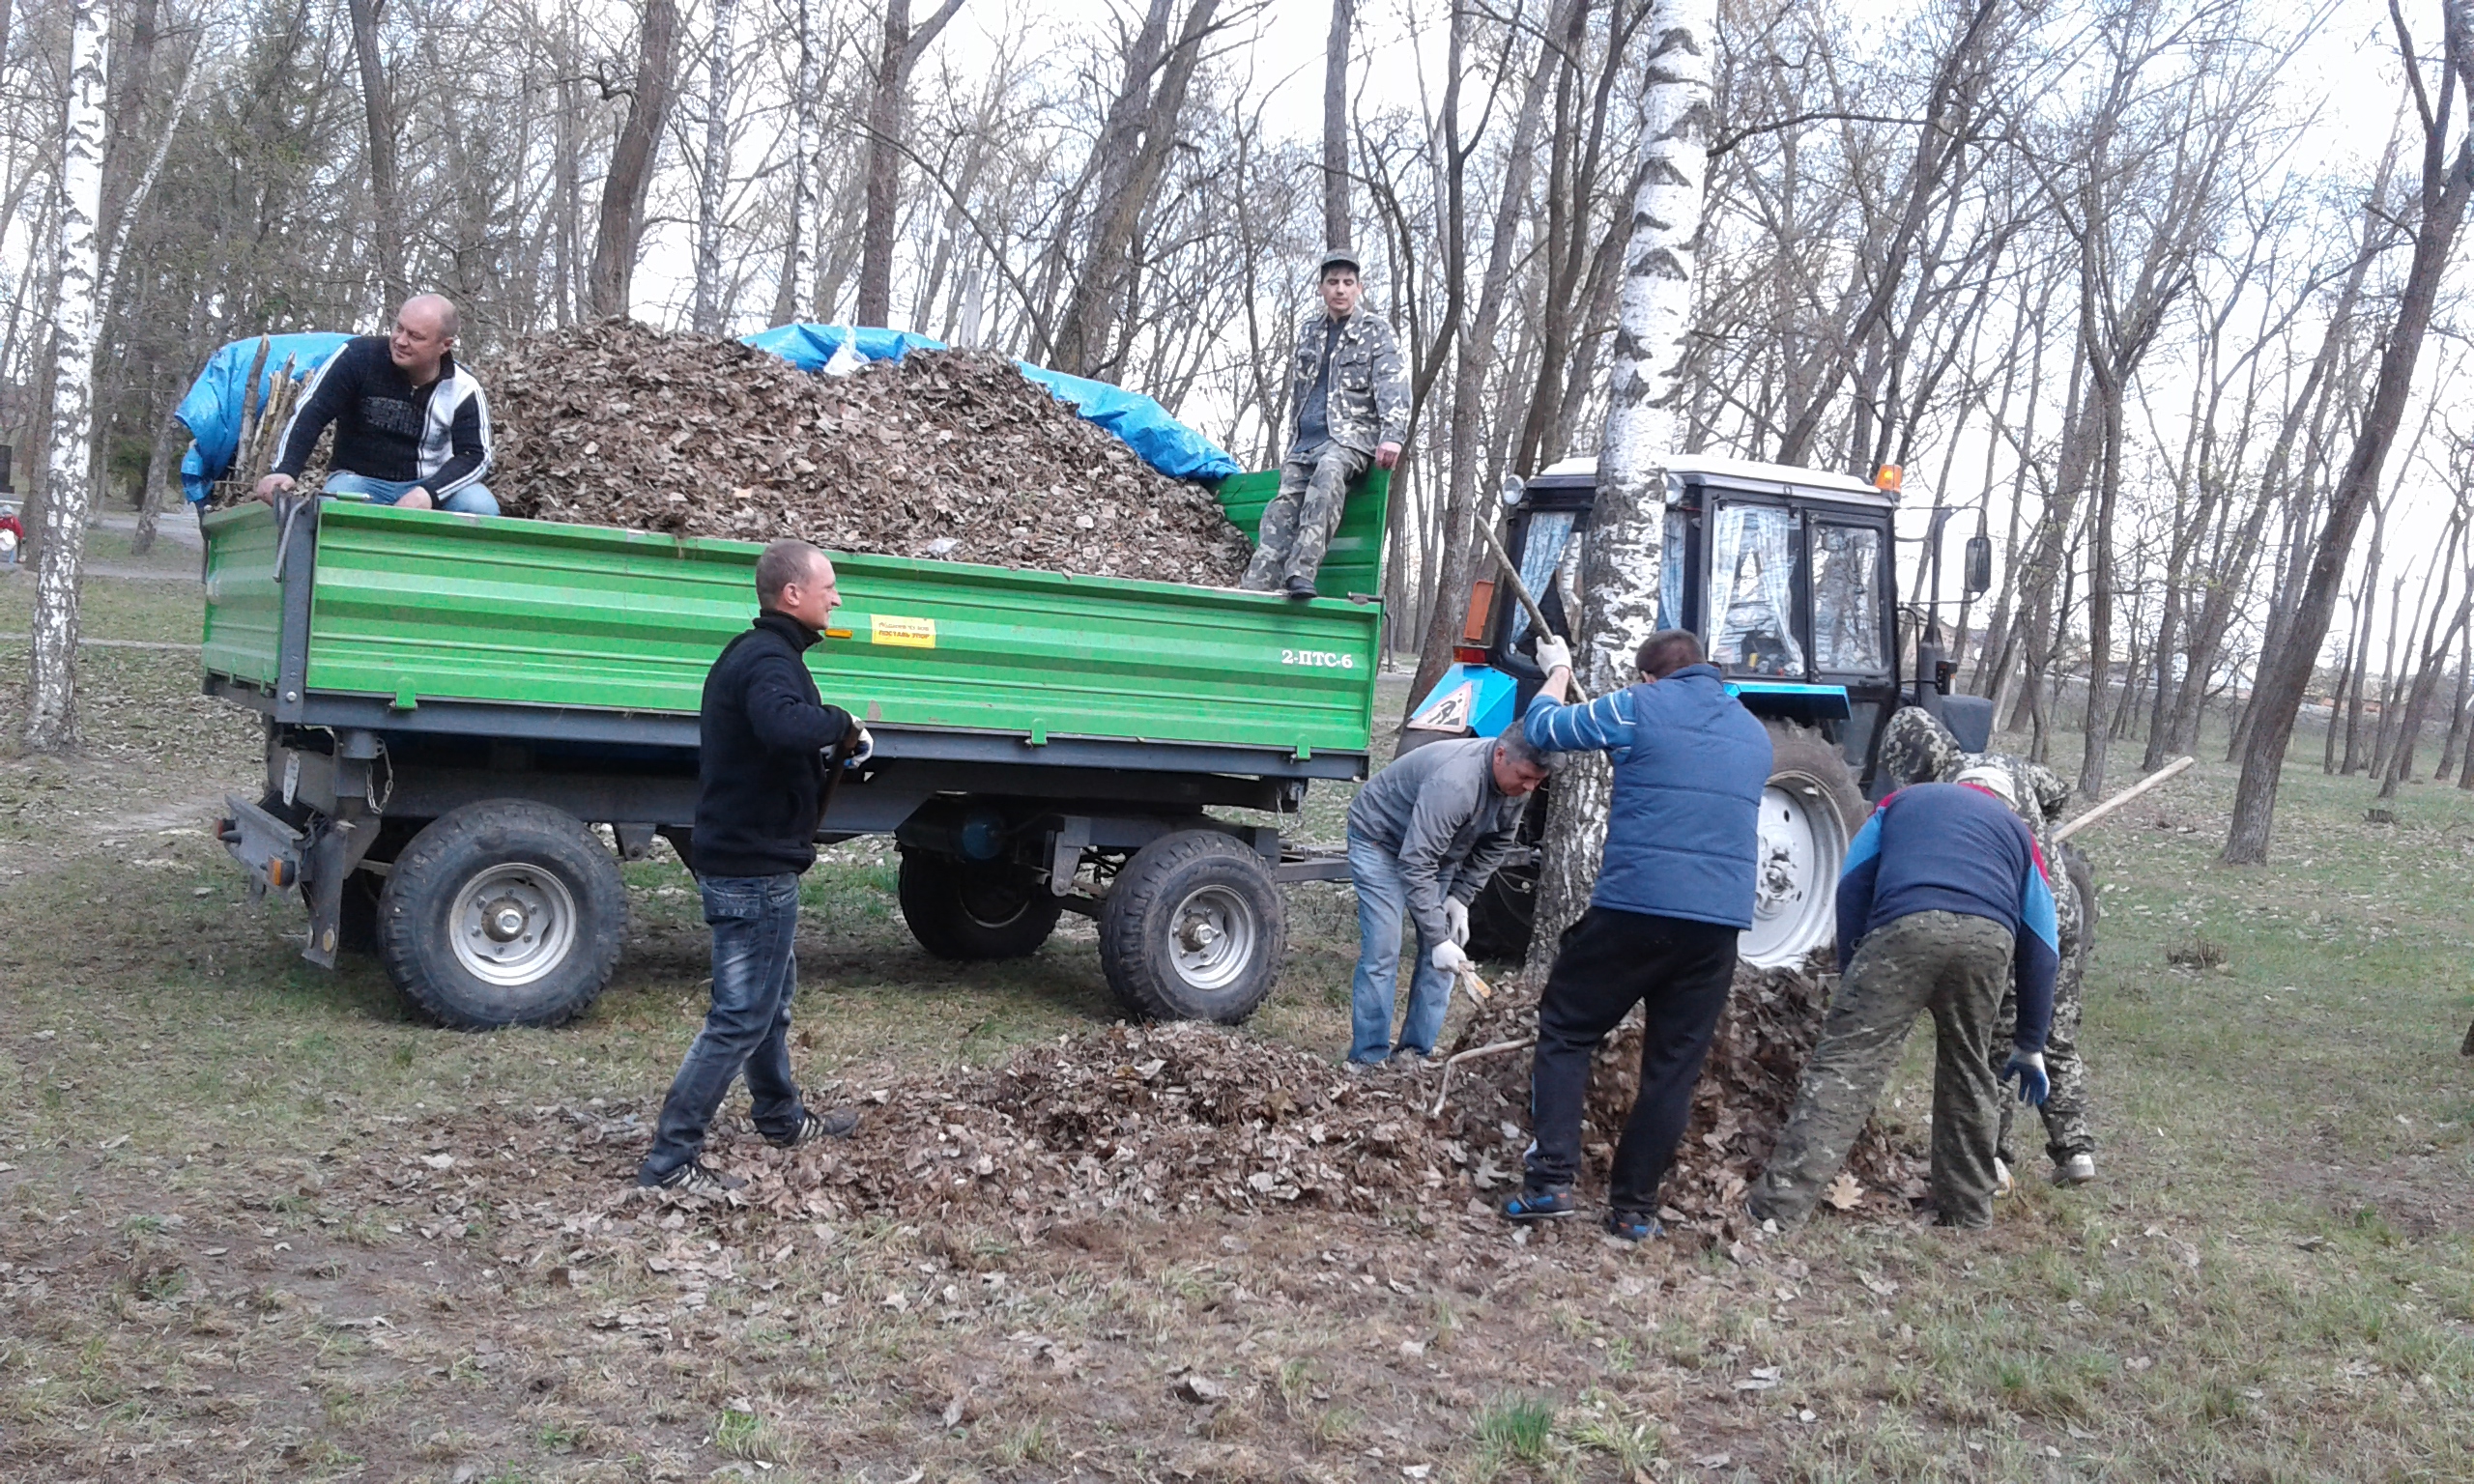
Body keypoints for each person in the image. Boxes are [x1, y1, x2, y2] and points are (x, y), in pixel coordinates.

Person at [1502, 630, 1773, 1241]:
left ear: (1650, 676)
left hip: (1637, 907)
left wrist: (1558, 669)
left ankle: (1550, 1182)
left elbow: (1543, 729)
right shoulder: (1754, 733)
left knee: (1568, 1029)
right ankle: (1634, 1209)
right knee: (1673, 1067)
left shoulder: (1637, 705)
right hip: (1717, 927)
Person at [637, 539, 868, 1192]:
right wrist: (841, 721)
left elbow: (781, 737)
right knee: (740, 1016)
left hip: (751, 860)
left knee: (767, 1005)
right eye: (829, 586)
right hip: (754, 871)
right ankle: (669, 1160)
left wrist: (834, 742)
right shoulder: (767, 660)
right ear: (791, 595)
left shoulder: (757, 654)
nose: (838, 597)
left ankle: (780, 1117)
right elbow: (782, 726)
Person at [1747, 766, 2060, 1231]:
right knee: (1969, 1069)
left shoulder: (1903, 802)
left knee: (1848, 1064)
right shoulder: (2018, 832)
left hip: (1903, 926)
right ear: (2006, 801)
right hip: (1987, 942)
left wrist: (1854, 965)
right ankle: (1969, 1212)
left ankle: (1778, 1211)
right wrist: (2031, 1041)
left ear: (1957, 784)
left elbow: (1852, 881)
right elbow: (2042, 942)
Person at [1876, 707, 2099, 1186]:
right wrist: (2036, 825)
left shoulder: (1939, 793)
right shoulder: (2005, 764)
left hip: (2012, 915)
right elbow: (2058, 791)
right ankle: (2076, 1151)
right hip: (2061, 908)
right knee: (2054, 1034)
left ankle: (1992, 1156)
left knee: (1999, 1037)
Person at [1343, 726, 1551, 1069]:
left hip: (1436, 854)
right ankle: (1368, 1060)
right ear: (1500, 755)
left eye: (1537, 781)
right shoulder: (1455, 784)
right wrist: (1436, 935)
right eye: (1526, 778)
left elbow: (1498, 842)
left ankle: (1415, 1054)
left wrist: (1460, 896)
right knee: (1384, 947)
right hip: (1380, 840)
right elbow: (1414, 863)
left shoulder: (1517, 780)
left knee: (1445, 956)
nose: (1530, 788)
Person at [1240, 249, 1409, 598]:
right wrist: (1293, 441)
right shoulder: (1309, 332)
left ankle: (1301, 572)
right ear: (1322, 288)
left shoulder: (1376, 331)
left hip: (1351, 438)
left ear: (1359, 288)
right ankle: (1255, 586)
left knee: (1328, 473)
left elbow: (1393, 385)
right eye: (1333, 282)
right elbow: (1300, 391)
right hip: (1306, 441)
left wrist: (1392, 436)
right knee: (1282, 506)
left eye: (1348, 283)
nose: (1340, 290)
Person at [254, 294, 499, 515]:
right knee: (337, 504)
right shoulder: (357, 358)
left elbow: (476, 456)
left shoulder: (463, 388)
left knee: (480, 506)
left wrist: (428, 493)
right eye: (399, 328)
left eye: (415, 336)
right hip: (358, 480)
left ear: (445, 345)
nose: (401, 341)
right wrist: (285, 468)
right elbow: (312, 412)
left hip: (429, 484)